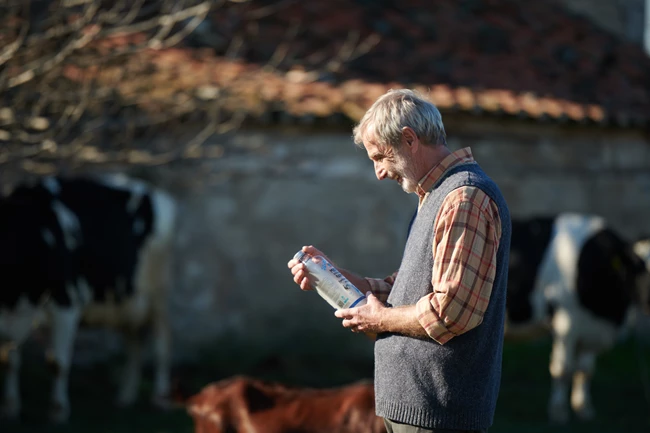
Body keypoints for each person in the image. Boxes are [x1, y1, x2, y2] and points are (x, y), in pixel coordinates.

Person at [287, 89, 511, 433]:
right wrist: (335, 278)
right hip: (418, 409)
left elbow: (451, 312)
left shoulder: (463, 197)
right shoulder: (436, 195)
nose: (378, 172)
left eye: (380, 157)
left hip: (438, 412)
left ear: (409, 140)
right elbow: (407, 289)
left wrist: (379, 318)